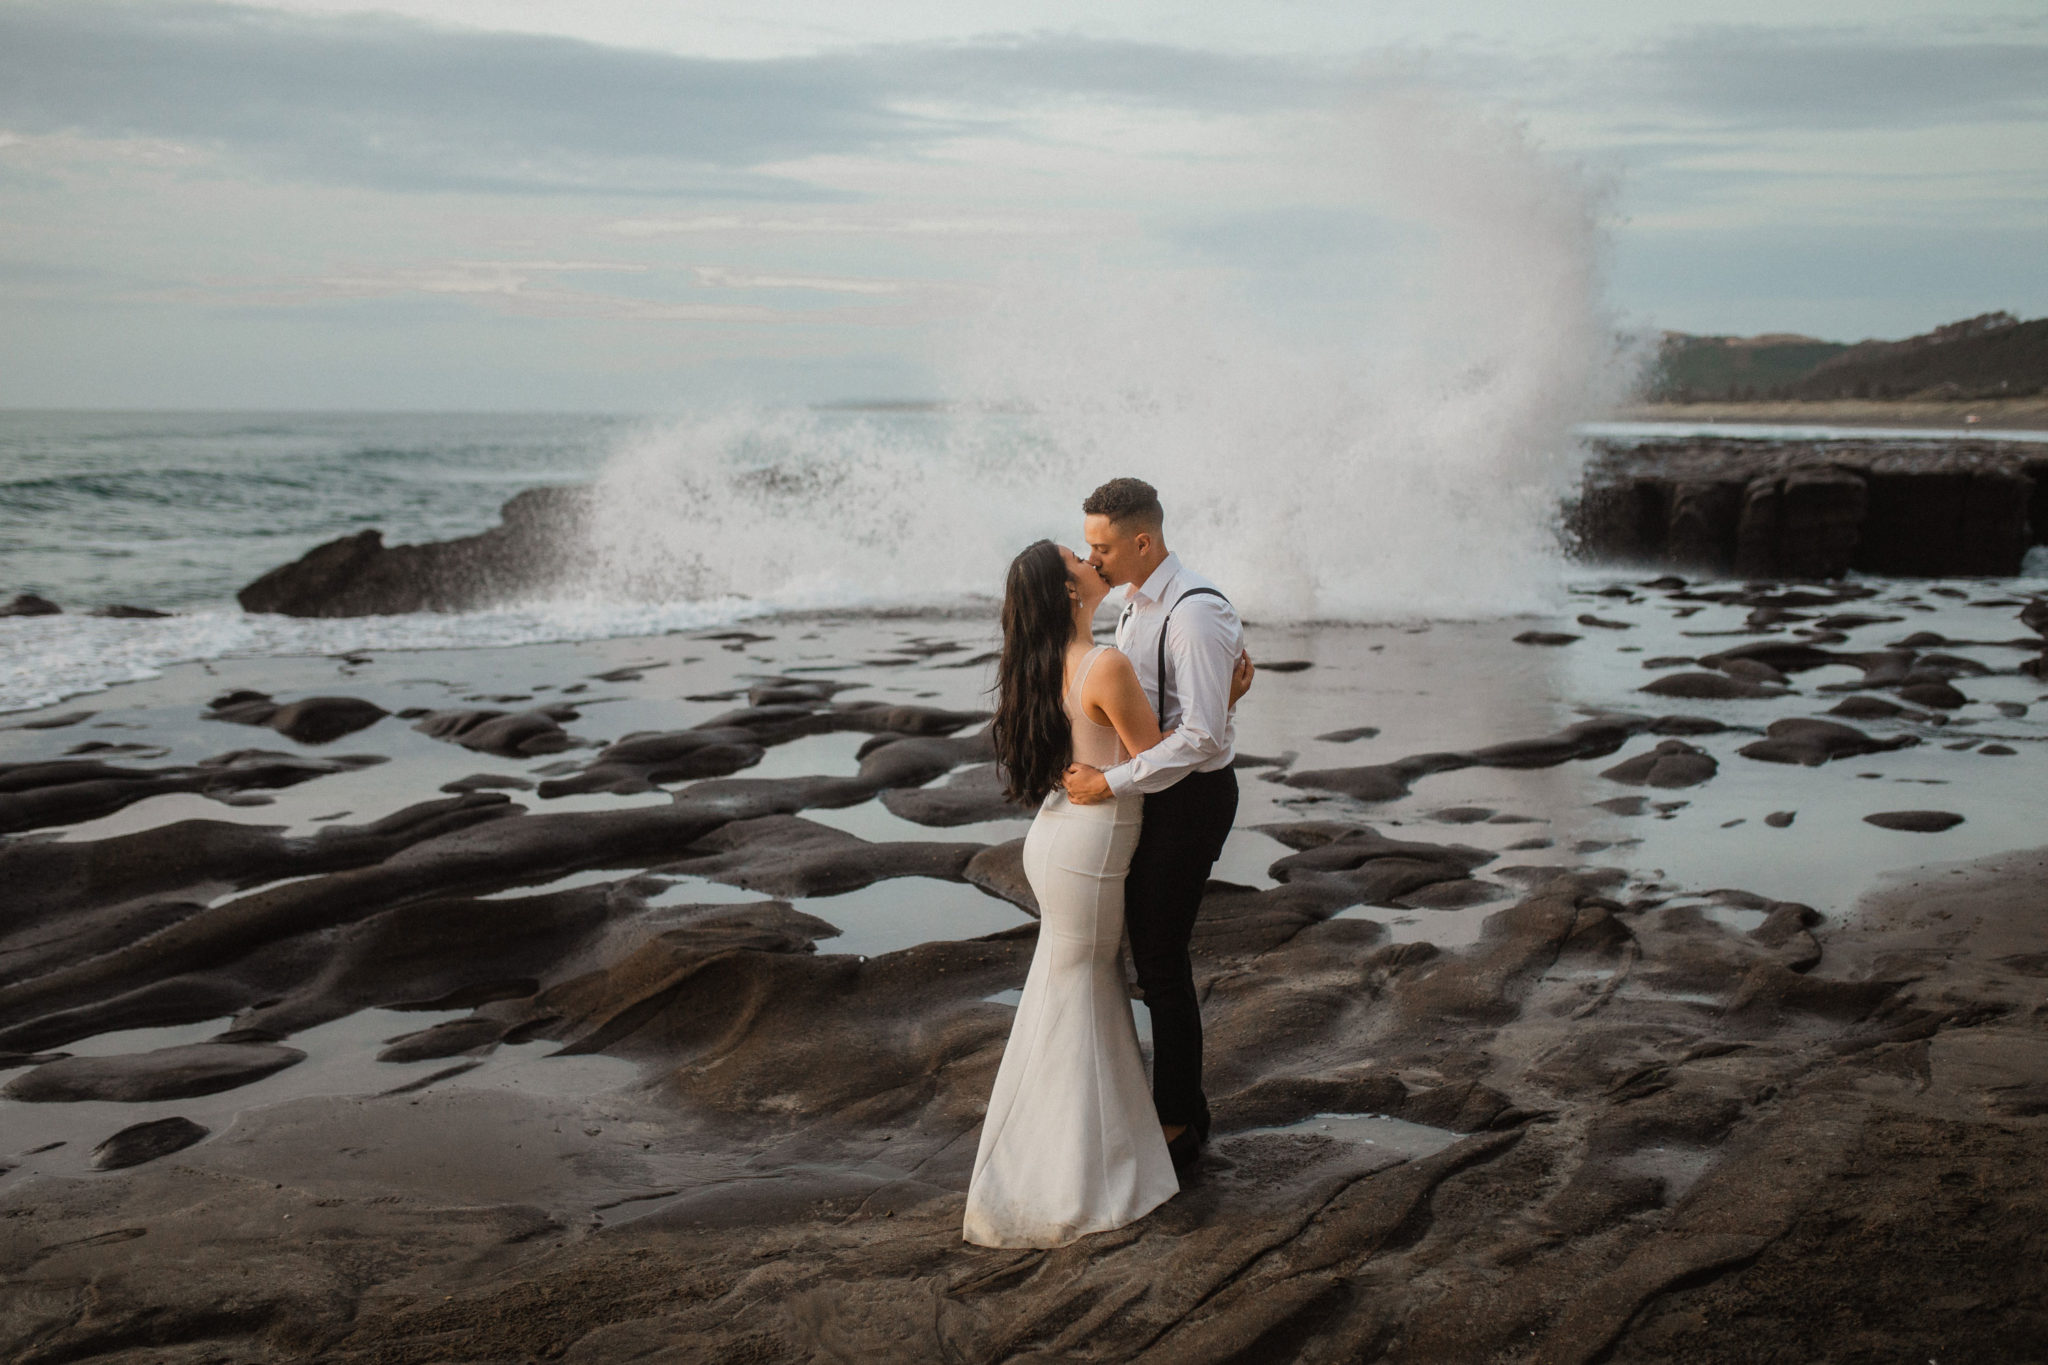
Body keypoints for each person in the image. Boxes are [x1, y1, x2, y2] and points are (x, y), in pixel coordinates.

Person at [963, 539, 1251, 1249]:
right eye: (1076, 558)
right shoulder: (1106, 663)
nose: (1090, 559)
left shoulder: (1040, 666)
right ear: (1067, 593)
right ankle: (1078, 1166)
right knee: (1083, 989)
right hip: (1090, 847)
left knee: (1066, 987)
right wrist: (1229, 698)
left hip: (1057, 836)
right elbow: (1160, 760)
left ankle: (1074, 1143)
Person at [1062, 477, 1244, 1176]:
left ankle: (1179, 1122)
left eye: (1102, 545)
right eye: (1088, 545)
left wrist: (1107, 781)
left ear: (1142, 541)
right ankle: (1182, 1106)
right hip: (1157, 793)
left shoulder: (1195, 614)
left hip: (1192, 799)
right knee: (1153, 958)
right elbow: (1169, 719)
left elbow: (1197, 740)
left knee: (1162, 963)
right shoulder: (1136, 609)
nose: (1093, 557)